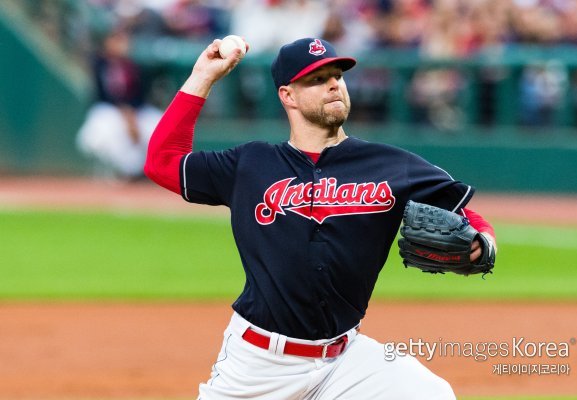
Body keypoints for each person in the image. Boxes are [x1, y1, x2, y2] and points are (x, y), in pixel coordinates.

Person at [144, 37, 497, 399]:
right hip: (258, 365)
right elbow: (162, 162)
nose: (333, 85)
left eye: (337, 76)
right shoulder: (249, 165)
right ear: (288, 96)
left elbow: (461, 211)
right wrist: (203, 76)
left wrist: (483, 239)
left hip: (345, 361)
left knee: (432, 393)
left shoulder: (392, 165)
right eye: (316, 79)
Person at [77, 27, 162, 180]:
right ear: (107, 43)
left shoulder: (134, 66)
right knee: (102, 132)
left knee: (160, 124)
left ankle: (152, 169)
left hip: (136, 111)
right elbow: (102, 94)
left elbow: (141, 95)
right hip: (109, 109)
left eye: (124, 40)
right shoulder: (99, 64)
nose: (122, 45)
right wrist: (125, 113)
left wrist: (132, 113)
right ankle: (121, 170)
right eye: (117, 40)